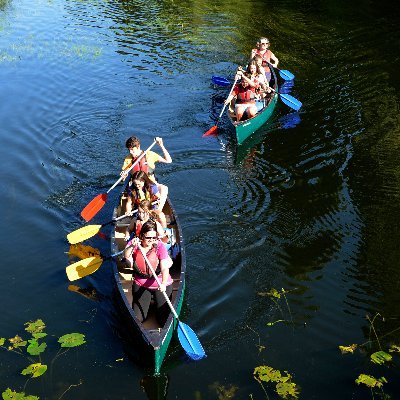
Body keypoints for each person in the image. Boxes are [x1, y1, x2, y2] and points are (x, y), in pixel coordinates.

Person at [124, 220, 173, 325]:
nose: (151, 240)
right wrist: (131, 246)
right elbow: (127, 256)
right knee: (139, 319)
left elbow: (164, 268)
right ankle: (151, 304)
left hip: (160, 284)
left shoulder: (159, 246)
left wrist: (164, 283)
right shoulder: (134, 244)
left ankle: (157, 303)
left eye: (154, 238)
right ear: (142, 236)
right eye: (148, 237)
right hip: (141, 284)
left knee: (163, 321)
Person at [121, 136, 172, 211]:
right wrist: (123, 176)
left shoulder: (150, 154)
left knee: (164, 188)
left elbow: (169, 161)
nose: (130, 152)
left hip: (150, 184)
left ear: (138, 147)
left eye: (132, 150)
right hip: (137, 185)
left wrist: (161, 145)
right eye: (129, 150)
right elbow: (124, 177)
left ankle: (158, 210)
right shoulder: (128, 159)